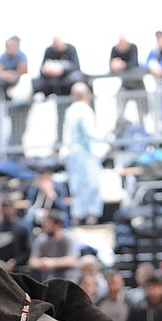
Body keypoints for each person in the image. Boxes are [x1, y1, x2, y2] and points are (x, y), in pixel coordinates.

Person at [63, 83, 102, 226]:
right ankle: (91, 216)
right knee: (91, 183)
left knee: (77, 185)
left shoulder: (70, 110)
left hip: (72, 152)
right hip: (85, 152)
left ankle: (77, 216)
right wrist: (105, 135)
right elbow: (89, 132)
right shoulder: (85, 109)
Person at [0, 36, 30, 150]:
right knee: (10, 126)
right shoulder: (3, 57)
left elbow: (22, 72)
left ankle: (18, 150)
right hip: (10, 100)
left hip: (22, 101)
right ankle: (13, 150)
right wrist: (11, 74)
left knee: (20, 127)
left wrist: (10, 74)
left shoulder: (21, 56)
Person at [110, 35, 148, 132]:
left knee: (141, 113)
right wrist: (115, 65)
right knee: (120, 108)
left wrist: (122, 65)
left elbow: (134, 63)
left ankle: (142, 130)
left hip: (138, 85)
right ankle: (119, 130)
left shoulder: (133, 47)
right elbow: (111, 66)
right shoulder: (115, 50)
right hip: (125, 85)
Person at [28, 212, 78, 280]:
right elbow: (32, 261)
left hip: (65, 274)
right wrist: (42, 262)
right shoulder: (41, 239)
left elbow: (71, 260)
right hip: (46, 274)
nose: (44, 226)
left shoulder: (68, 238)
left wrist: (52, 262)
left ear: (58, 225)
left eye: (48, 223)